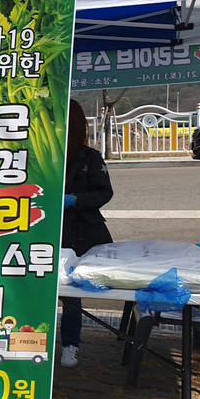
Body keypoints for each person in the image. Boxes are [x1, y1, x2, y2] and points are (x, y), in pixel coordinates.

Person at [59, 99, 114, 368]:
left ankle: (70, 345)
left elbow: (104, 192)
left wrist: (75, 199)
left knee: (72, 293)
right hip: (49, 230)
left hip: (83, 232)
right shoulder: (43, 153)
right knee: (46, 289)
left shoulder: (90, 157)